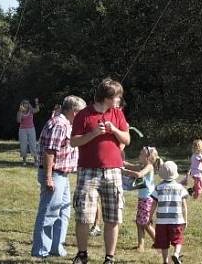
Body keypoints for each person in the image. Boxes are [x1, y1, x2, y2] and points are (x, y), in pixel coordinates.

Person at [69, 78, 130, 264]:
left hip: (113, 171)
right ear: (106, 97)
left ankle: (109, 257)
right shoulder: (84, 115)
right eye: (117, 96)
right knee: (84, 216)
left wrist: (115, 131)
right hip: (88, 171)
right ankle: (82, 254)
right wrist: (93, 133)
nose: (119, 100)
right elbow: (73, 141)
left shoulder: (118, 114)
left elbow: (127, 139)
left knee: (113, 216)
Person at [31, 95, 86, 259]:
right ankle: (41, 250)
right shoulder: (59, 124)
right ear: (75, 112)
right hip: (54, 174)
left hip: (63, 175)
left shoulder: (65, 124)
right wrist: (48, 177)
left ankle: (56, 247)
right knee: (49, 212)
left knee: (63, 212)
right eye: (82, 114)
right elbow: (49, 152)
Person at [149, 160, 189, 264]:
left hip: (161, 221)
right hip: (176, 220)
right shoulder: (180, 188)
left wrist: (150, 217)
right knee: (178, 239)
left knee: (164, 243)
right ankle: (176, 254)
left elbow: (153, 204)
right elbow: (184, 205)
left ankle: (165, 261)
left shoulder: (158, 188)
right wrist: (185, 219)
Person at [123, 146, 161, 251]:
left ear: (147, 157)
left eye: (141, 154)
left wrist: (124, 171)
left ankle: (159, 242)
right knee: (139, 222)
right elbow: (132, 166)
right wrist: (123, 163)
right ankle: (141, 245)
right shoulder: (143, 165)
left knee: (145, 223)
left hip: (147, 199)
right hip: (143, 198)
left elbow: (139, 174)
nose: (139, 155)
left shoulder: (149, 166)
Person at [17, 98, 40, 165]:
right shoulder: (19, 111)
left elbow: (37, 110)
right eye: (25, 103)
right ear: (22, 104)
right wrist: (20, 112)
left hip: (31, 129)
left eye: (27, 103)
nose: (26, 104)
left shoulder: (31, 110)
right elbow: (18, 121)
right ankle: (24, 160)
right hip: (22, 130)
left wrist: (36, 102)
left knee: (33, 144)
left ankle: (36, 160)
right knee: (23, 145)